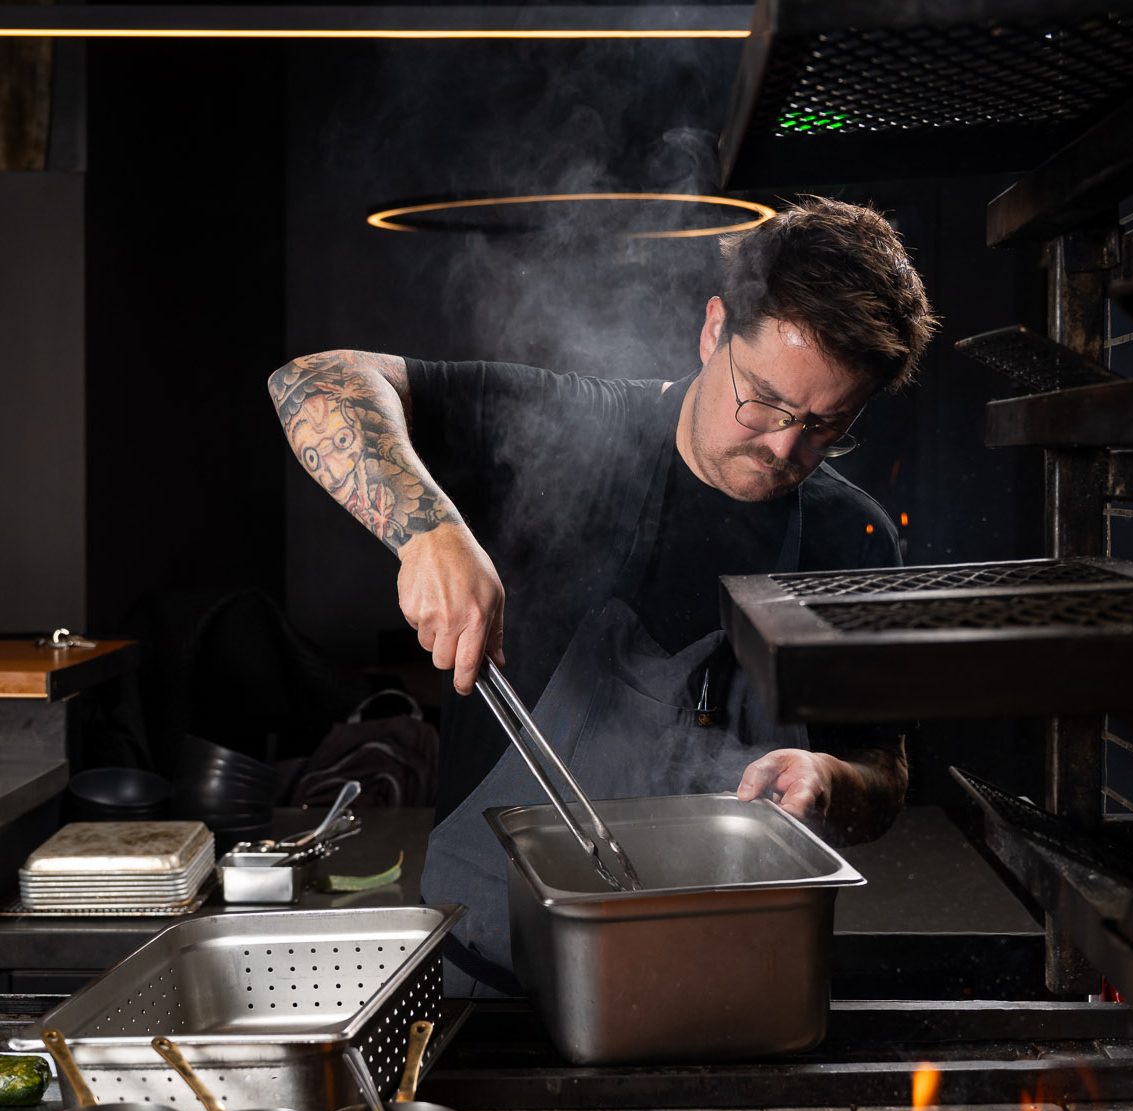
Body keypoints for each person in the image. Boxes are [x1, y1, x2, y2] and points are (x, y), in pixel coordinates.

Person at [268, 196, 938, 995]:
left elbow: (885, 778)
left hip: (730, 984)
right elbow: (312, 379)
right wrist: (428, 534)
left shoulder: (849, 538)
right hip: (491, 984)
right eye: (763, 398)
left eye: (828, 425)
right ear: (713, 328)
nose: (784, 446)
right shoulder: (565, 432)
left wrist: (832, 782)